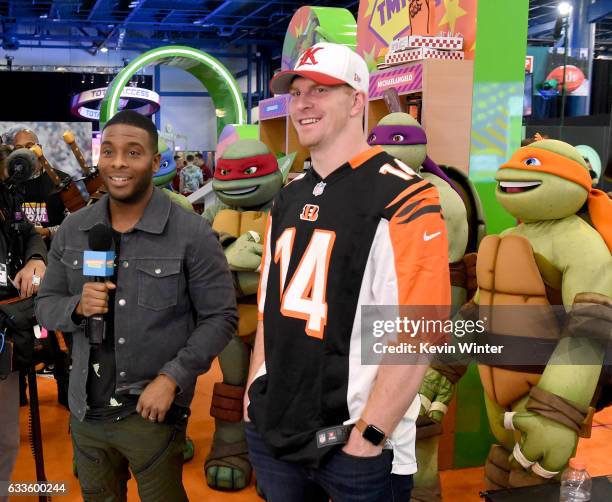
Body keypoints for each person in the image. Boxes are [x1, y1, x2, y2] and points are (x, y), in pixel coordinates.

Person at [244, 42, 450, 501]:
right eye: (296, 93)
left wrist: (370, 435)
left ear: (357, 100)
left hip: (355, 448)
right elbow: (268, 311)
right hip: (275, 429)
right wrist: (253, 392)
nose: (303, 104)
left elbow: (420, 331)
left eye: (321, 89)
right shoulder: (289, 195)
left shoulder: (404, 197)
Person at [35, 110, 237, 502]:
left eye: (133, 152)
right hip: (85, 414)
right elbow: (45, 307)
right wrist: (77, 308)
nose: (118, 164)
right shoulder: (75, 229)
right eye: (108, 152)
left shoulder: (191, 234)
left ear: (155, 160)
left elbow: (220, 317)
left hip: (151, 413)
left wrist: (172, 378)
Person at [0, 144, 48, 502]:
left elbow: (31, 230)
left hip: (6, 328)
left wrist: (35, 258)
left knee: (4, 435)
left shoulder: (9, 197)